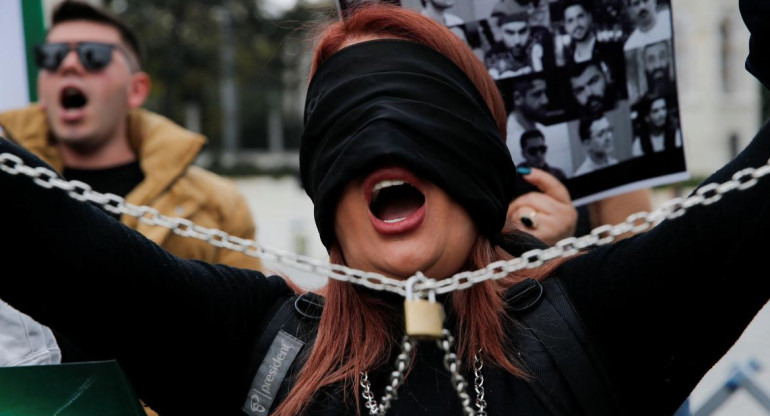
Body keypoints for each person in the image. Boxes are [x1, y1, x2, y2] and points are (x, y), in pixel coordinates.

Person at [0, 4, 768, 416]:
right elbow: (37, 234)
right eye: (350, 130)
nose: (380, 151)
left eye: (418, 122)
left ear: (477, 169)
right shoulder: (250, 347)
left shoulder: (594, 328)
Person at [0, 1, 260, 414]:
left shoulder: (214, 203)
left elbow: (248, 347)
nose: (68, 67)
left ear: (137, 88)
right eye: (51, 57)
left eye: (92, 56)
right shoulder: (6, 192)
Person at [484, 2, 553, 79]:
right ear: (501, 32)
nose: (517, 41)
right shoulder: (492, 56)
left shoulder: (542, 38)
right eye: (510, 33)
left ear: (529, 29)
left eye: (522, 32)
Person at [559, 0, 623, 66]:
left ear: (590, 17)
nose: (576, 24)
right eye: (570, 21)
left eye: (580, 16)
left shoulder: (613, 52)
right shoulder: (568, 65)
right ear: (565, 26)